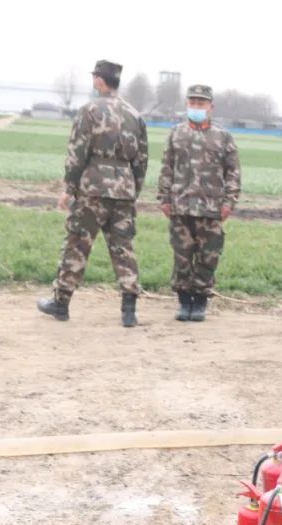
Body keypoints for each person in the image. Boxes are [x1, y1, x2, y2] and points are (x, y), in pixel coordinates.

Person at [38, 60, 148, 326]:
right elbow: (141, 160)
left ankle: (61, 303)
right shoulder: (134, 115)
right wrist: (132, 189)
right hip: (124, 190)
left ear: (99, 80)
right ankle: (129, 310)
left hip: (93, 188)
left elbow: (77, 153)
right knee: (123, 248)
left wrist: (69, 188)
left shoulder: (89, 110)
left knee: (77, 244)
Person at [156, 84, 241, 322]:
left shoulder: (223, 137)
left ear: (210, 106)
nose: (196, 106)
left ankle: (201, 301)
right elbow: (166, 168)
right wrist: (164, 198)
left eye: (201, 103)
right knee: (182, 255)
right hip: (180, 205)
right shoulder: (176, 133)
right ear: (187, 104)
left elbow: (233, 172)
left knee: (208, 256)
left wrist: (229, 202)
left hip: (211, 208)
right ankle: (184, 301)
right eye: (192, 102)